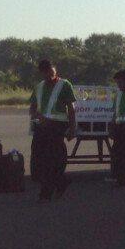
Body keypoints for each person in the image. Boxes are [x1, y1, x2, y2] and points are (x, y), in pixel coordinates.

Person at [29, 58, 77, 203]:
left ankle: (45, 194)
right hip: (42, 125)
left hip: (57, 125)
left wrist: (72, 127)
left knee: (50, 160)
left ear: (55, 69)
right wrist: (40, 117)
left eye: (51, 71)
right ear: (41, 73)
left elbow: (71, 108)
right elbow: (32, 108)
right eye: (45, 72)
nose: (49, 74)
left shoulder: (65, 84)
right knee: (37, 158)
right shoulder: (39, 87)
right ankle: (61, 182)